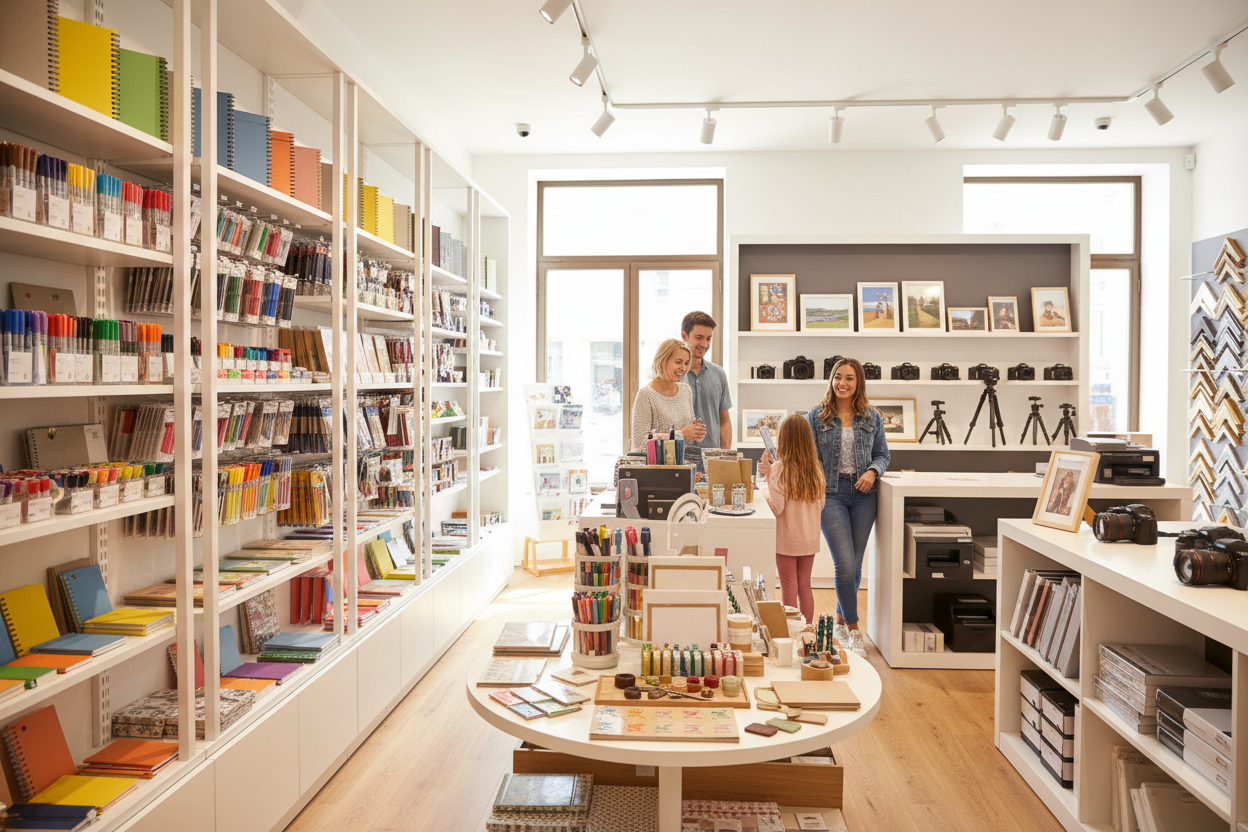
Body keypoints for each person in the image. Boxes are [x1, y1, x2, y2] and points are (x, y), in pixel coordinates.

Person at [761, 357, 889, 657]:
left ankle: (843, 620)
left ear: (859, 383)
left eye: (849, 378)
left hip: (865, 494)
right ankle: (854, 629)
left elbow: (882, 454)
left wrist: (873, 471)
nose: (842, 383)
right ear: (831, 380)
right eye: (837, 377)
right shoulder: (814, 417)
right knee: (844, 563)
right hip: (828, 494)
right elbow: (801, 455)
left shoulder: (872, 417)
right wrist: (774, 468)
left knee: (855, 565)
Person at [763, 414, 825, 625]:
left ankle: (791, 634)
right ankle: (807, 631)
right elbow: (821, 505)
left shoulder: (779, 469)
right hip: (809, 540)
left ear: (784, 440)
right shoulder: (816, 470)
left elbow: (777, 508)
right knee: (805, 586)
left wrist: (764, 490)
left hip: (787, 540)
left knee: (788, 586)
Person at [630, 338, 706, 450]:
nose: (683, 368)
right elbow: (640, 442)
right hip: (655, 466)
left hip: (682, 464)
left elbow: (686, 438)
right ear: (662, 361)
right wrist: (682, 434)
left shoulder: (686, 391)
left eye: (686, 363)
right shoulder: (646, 394)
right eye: (678, 362)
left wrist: (695, 431)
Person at [680, 311, 732, 449]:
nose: (704, 344)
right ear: (684, 336)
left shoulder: (719, 374)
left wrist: (725, 455)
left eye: (708, 338)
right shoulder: (673, 376)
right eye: (699, 337)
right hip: (678, 460)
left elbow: (724, 421)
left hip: (711, 459)